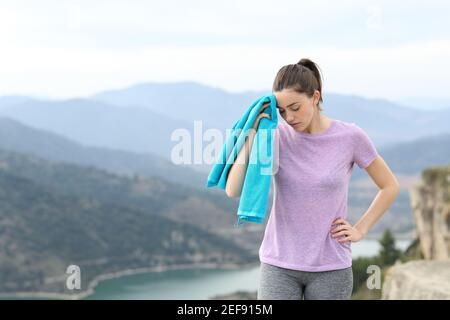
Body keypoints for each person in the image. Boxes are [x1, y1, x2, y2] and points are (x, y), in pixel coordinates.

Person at [226, 58, 400, 300]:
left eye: (295, 107)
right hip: (279, 265)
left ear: (315, 97)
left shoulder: (350, 137)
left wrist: (361, 229)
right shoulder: (275, 137)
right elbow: (233, 190)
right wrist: (252, 134)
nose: (289, 117)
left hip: (331, 268)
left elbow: (389, 186)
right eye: (282, 111)